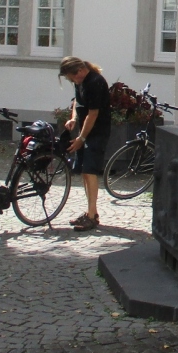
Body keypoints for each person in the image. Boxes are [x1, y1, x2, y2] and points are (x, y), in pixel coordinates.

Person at [59, 56, 111, 231]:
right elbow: (77, 102)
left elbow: (93, 114)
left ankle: (92, 216)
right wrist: (73, 118)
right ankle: (91, 212)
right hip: (85, 130)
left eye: (73, 77)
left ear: (80, 70)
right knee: (83, 171)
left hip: (97, 132)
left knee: (90, 171)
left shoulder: (95, 82)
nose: (74, 81)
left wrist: (81, 139)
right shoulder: (80, 81)